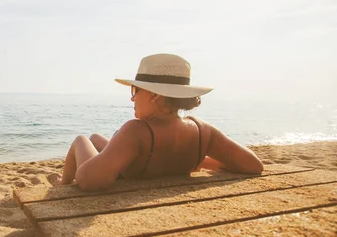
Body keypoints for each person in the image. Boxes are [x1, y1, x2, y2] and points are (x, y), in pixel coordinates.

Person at [61, 53, 263, 191]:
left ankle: (62, 189)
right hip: (149, 159)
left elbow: (89, 181)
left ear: (154, 96)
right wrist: (197, 160)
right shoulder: (203, 132)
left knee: (81, 139)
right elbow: (253, 165)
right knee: (96, 138)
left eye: (135, 91)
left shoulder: (136, 131)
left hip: (134, 166)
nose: (132, 98)